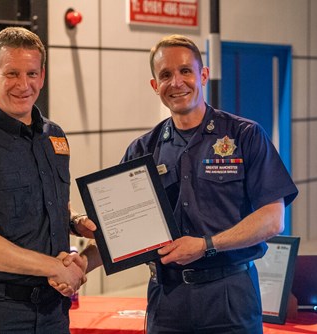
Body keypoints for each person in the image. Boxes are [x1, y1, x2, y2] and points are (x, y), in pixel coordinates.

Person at [121, 34, 299, 333]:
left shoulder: (245, 136)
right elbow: (123, 226)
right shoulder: (142, 150)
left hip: (229, 294)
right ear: (155, 86)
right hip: (167, 299)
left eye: (185, 71)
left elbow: (272, 219)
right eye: (165, 75)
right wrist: (78, 263)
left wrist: (207, 246)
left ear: (203, 75)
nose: (176, 82)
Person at [0, 27, 99, 334]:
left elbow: (51, 202)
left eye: (32, 73)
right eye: (11, 73)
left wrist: (75, 219)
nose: (24, 85)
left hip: (53, 311)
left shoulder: (54, 137)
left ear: (43, 75)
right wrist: (55, 267)